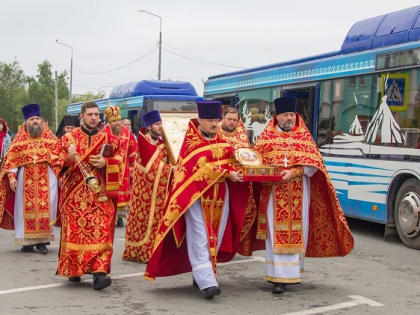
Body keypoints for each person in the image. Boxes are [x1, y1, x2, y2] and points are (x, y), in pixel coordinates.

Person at [145, 100, 251, 300]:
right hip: (196, 198)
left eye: (216, 120)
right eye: (210, 120)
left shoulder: (222, 141)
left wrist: (242, 168)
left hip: (220, 195)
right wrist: (226, 172)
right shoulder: (191, 143)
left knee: (216, 236)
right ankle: (207, 282)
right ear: (200, 120)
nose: (214, 123)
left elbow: (231, 162)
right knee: (200, 236)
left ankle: (202, 274)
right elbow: (193, 170)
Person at [249, 96, 354, 294]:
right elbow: (256, 163)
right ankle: (278, 278)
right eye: (286, 115)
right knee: (275, 232)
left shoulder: (303, 137)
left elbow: (314, 165)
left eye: (292, 115)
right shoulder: (266, 138)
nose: (289, 118)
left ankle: (292, 273)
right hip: (274, 194)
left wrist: (295, 172)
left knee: (300, 229)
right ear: (277, 116)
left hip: (299, 191)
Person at [54, 101, 124, 290]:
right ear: (82, 116)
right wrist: (68, 157)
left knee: (102, 228)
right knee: (76, 233)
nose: (94, 117)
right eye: (90, 114)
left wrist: (106, 162)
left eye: (96, 114)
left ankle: (99, 273)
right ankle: (75, 269)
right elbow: (56, 164)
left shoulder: (107, 138)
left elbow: (120, 160)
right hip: (74, 196)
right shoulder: (69, 138)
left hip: (99, 195)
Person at [0, 104, 60, 254]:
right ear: (26, 122)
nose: (35, 121)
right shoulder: (18, 141)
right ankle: (26, 241)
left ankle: (42, 241)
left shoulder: (51, 139)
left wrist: (60, 175)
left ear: (41, 121)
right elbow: (11, 161)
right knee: (23, 209)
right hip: (24, 179)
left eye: (37, 119)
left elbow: (59, 158)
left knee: (47, 207)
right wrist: (12, 177)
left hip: (48, 178)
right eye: (32, 119)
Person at [122, 110, 174, 263]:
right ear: (149, 126)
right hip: (144, 193)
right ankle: (140, 251)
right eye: (157, 124)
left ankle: (154, 251)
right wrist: (171, 169)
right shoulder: (144, 142)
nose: (160, 127)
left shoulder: (160, 143)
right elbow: (152, 170)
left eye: (161, 124)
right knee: (143, 222)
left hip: (158, 193)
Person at [217, 106, 258, 259]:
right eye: (229, 119)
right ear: (223, 119)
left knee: (236, 216)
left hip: (239, 185)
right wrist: (228, 173)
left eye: (235, 120)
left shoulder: (242, 135)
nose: (232, 122)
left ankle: (231, 247)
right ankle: (220, 247)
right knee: (222, 217)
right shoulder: (216, 134)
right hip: (221, 182)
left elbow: (248, 155)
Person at [102, 106, 137, 227]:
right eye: (114, 121)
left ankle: (120, 217)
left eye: (118, 120)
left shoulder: (127, 133)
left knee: (122, 194)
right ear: (109, 121)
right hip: (108, 167)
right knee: (109, 193)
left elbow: (133, 150)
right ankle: (109, 214)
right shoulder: (103, 133)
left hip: (124, 168)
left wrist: (133, 165)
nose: (117, 123)